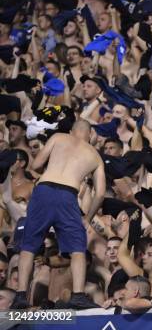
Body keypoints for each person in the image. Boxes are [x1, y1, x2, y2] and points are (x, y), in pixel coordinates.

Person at [12, 120, 106, 310]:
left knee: (29, 245)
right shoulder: (95, 155)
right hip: (67, 195)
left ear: (72, 131)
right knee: (77, 248)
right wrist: (87, 218)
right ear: (90, 135)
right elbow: (101, 193)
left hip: (43, 190)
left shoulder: (58, 137)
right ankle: (78, 295)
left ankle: (21, 296)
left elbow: (36, 165)